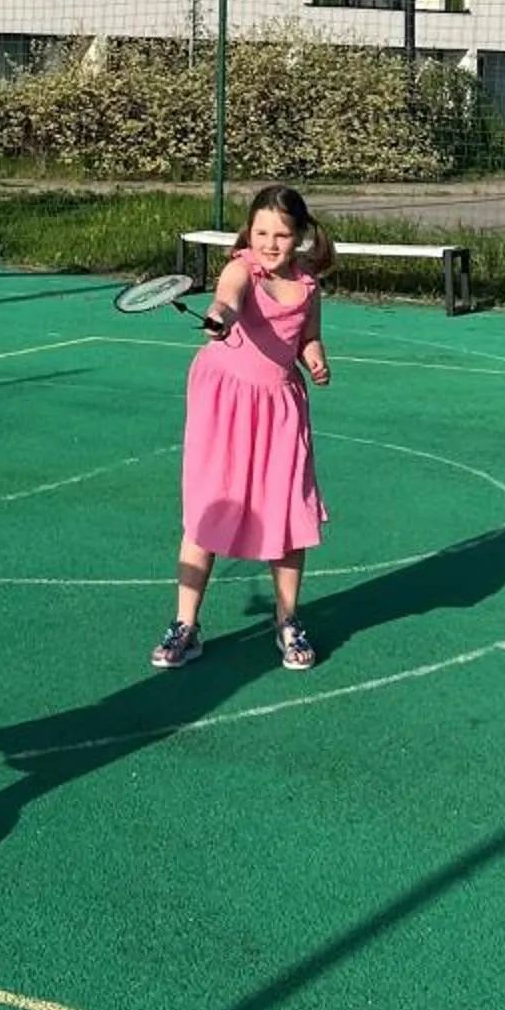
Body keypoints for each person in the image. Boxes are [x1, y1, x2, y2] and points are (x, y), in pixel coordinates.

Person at [151, 182, 333, 674]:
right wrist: (218, 316)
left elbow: (308, 336)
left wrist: (315, 356)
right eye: (261, 233)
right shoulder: (241, 269)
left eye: (282, 234)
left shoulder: (308, 285)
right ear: (248, 233)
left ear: (300, 236)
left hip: (280, 408)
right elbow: (227, 300)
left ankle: (288, 620)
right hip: (225, 402)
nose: (270, 243)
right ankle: (185, 624)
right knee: (208, 508)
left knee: (288, 513)